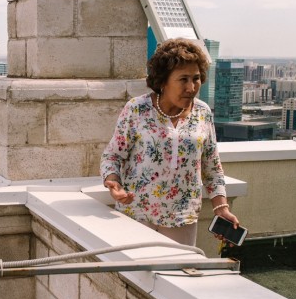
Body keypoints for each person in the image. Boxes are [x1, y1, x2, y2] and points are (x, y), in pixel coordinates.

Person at [100, 38, 239, 246]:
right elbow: (112, 155)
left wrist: (222, 208)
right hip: (135, 216)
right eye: (183, 79)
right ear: (163, 81)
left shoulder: (203, 113)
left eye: (196, 78)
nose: (191, 87)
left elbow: (212, 167)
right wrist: (114, 182)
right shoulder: (137, 109)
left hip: (183, 222)